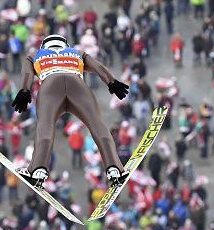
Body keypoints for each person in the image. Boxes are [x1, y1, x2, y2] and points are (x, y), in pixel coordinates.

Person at [11, 34, 130, 187]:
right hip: (77, 85)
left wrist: (25, 90)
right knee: (97, 124)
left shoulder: (35, 55)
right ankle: (114, 168)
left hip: (50, 85)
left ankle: (38, 169)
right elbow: (98, 67)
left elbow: (27, 73)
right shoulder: (77, 53)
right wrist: (112, 82)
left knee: (46, 126)